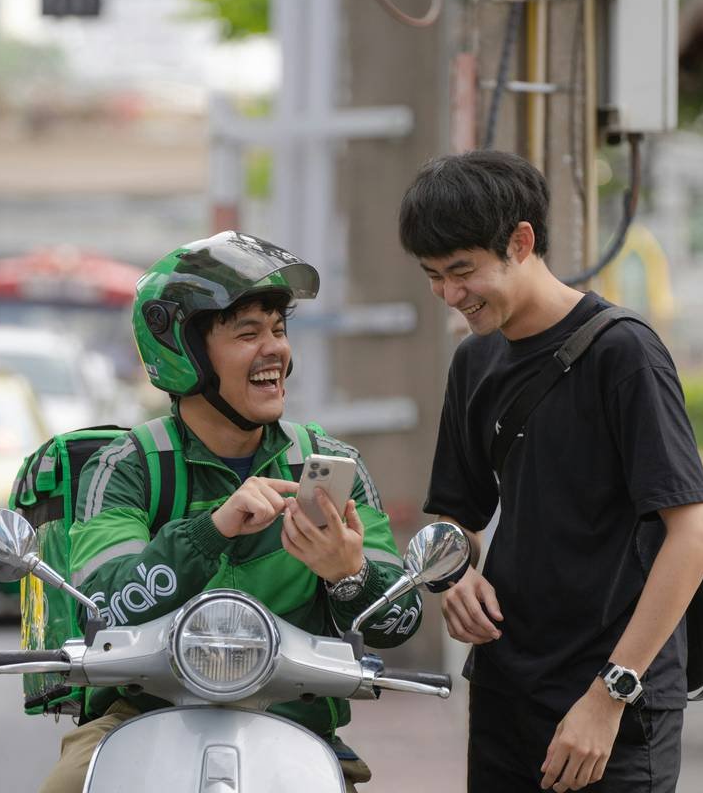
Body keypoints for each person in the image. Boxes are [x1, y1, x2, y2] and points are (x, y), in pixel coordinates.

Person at [38, 231, 422, 793]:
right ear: (185, 353)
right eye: (248, 333)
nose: (275, 350)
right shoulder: (128, 467)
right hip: (140, 720)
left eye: (279, 330)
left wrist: (349, 575)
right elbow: (103, 609)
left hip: (298, 733)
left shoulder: (331, 466)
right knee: (67, 785)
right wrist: (210, 531)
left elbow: (401, 618)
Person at [398, 151, 703, 793]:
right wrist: (454, 577)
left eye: (462, 271)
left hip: (616, 702)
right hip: (505, 694)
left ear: (520, 242)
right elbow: (459, 516)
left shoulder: (624, 353)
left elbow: (694, 538)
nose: (450, 295)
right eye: (434, 276)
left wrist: (609, 696)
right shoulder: (474, 362)